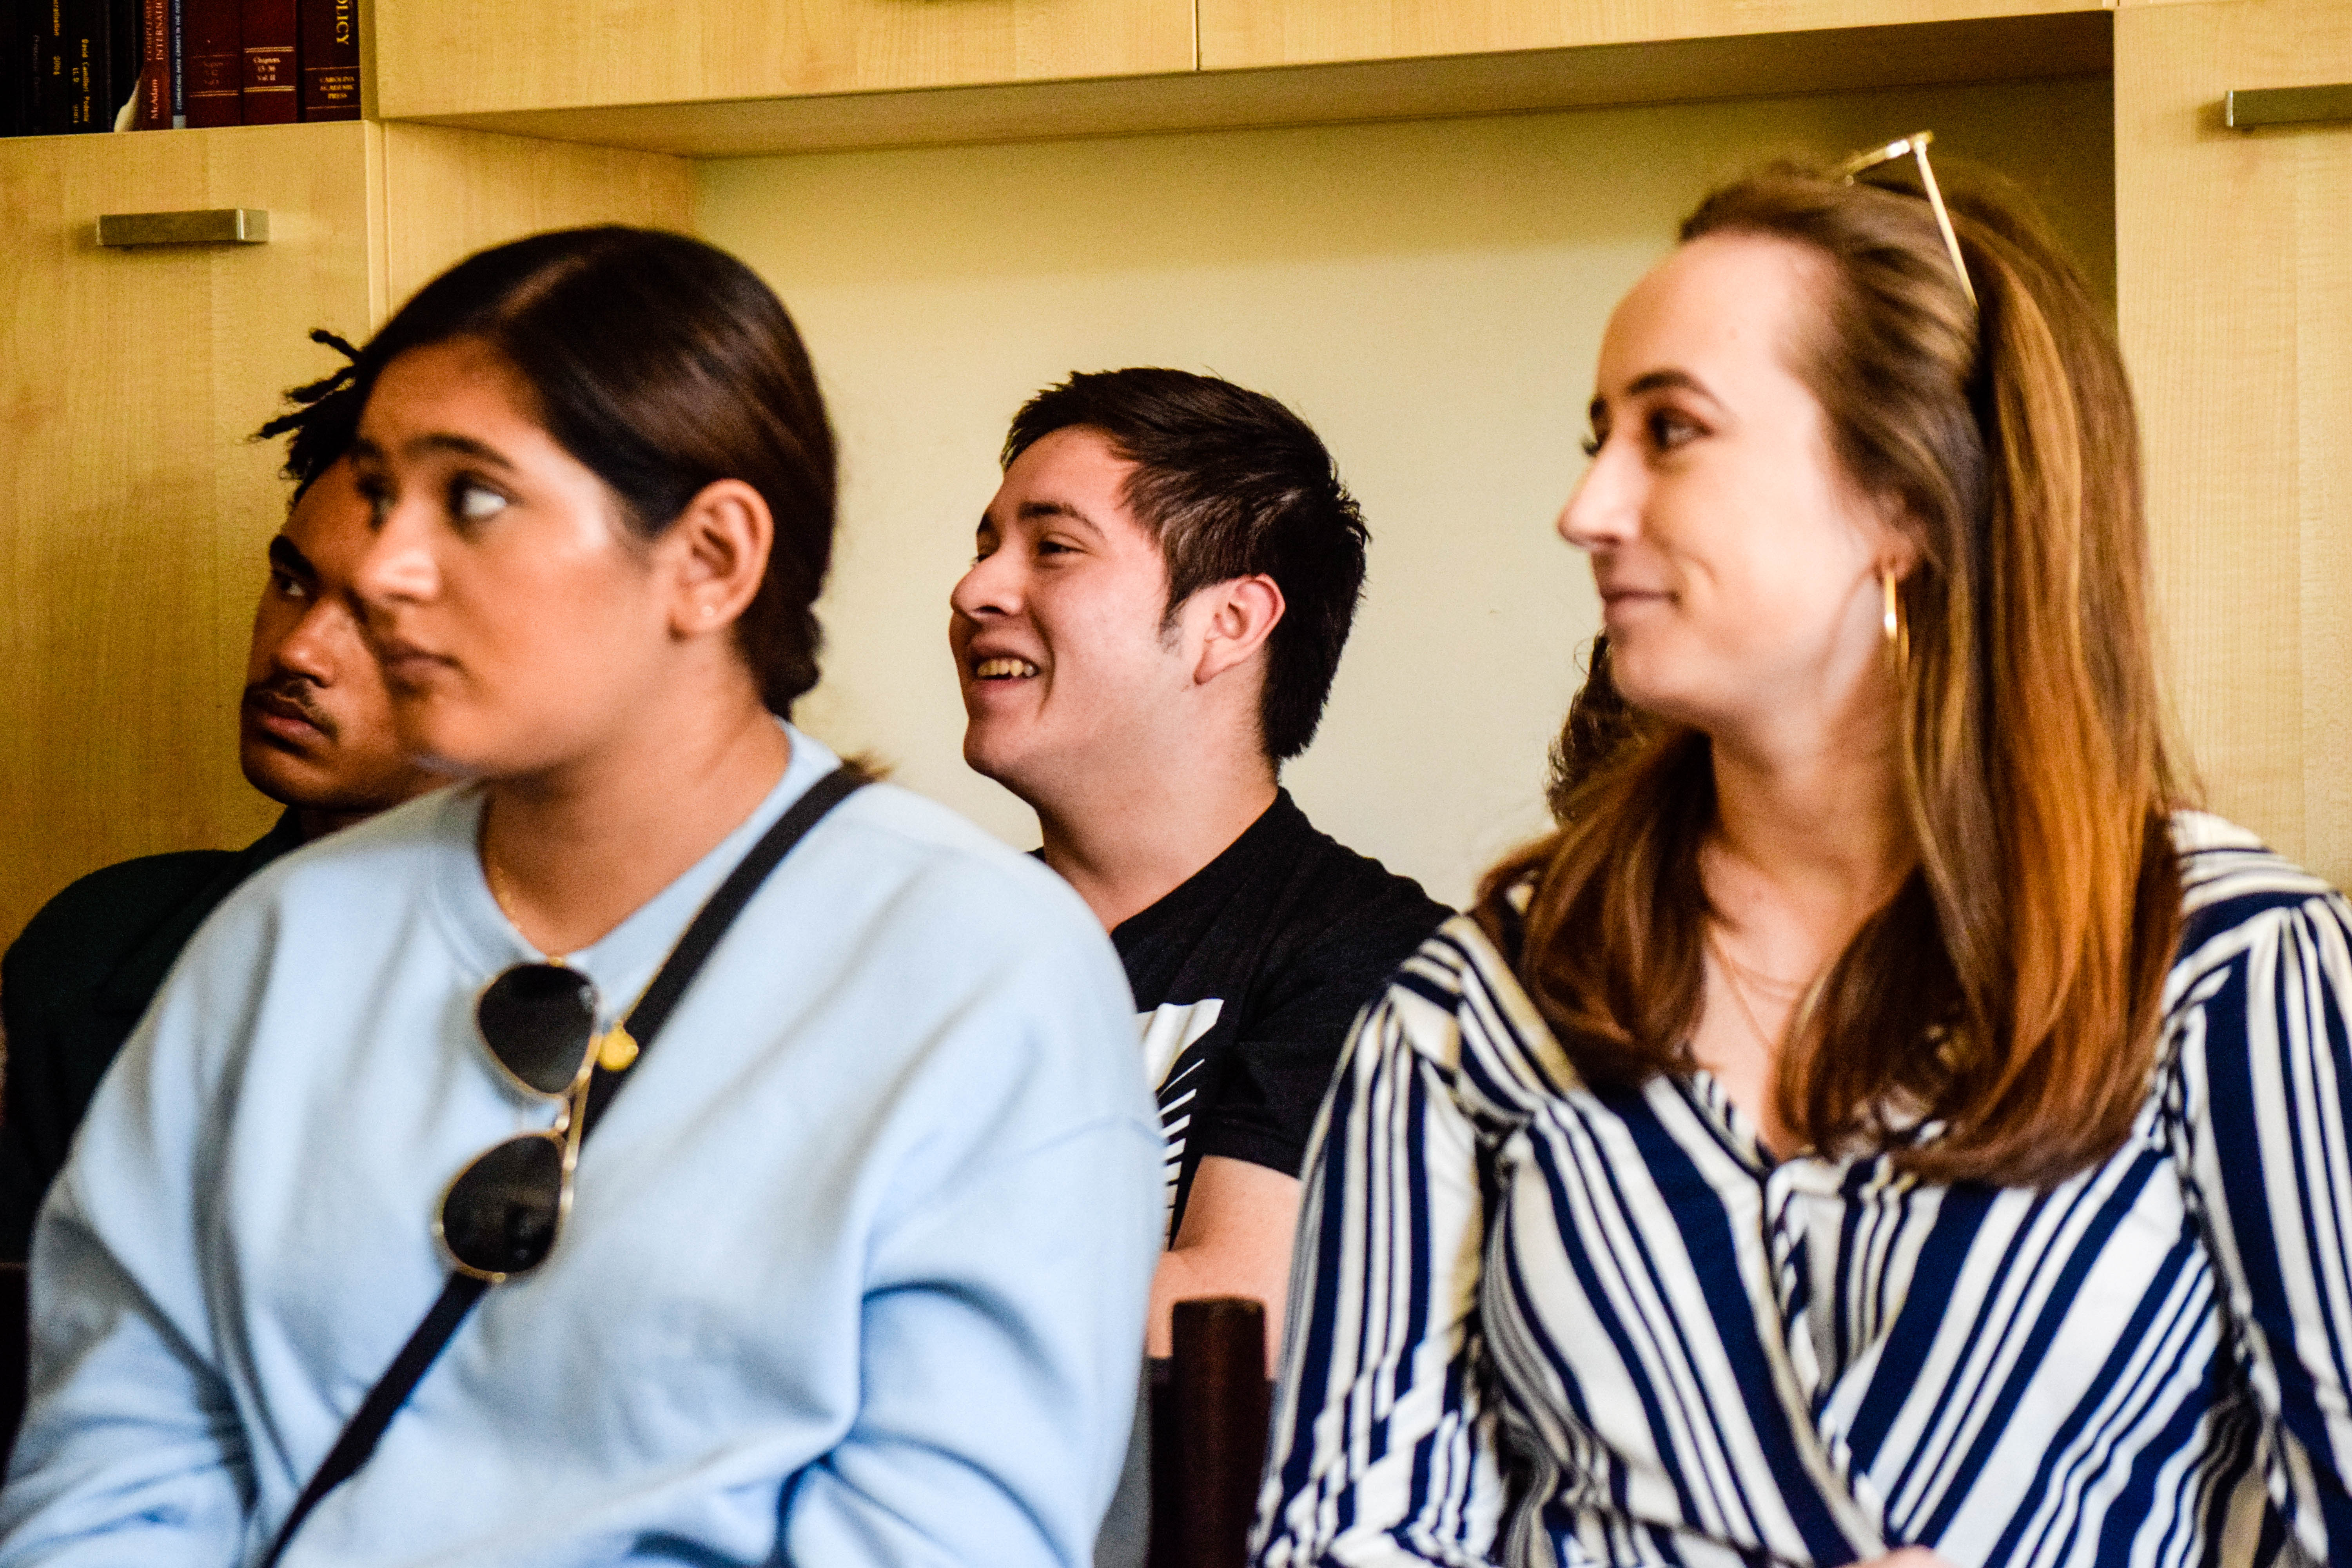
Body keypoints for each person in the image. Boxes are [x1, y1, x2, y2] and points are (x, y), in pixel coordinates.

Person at [0, 227, 1161, 1567]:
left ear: (713, 558)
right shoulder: (275, 942)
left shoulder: (979, 969)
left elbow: (940, 1541)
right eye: (378, 495)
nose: (382, 571)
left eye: (474, 500)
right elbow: (111, 1475)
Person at [1255, 151, 2352, 1567]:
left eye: (1672, 432)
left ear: (1907, 499)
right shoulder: (1474, 1011)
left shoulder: (2225, 964)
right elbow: (1347, 1536)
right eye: (1599, 435)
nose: (1586, 509)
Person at [950, 368, 1448, 1361]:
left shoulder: (1382, 961)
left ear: (1229, 623)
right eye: (985, 547)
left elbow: (1230, 1310)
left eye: (1053, 548)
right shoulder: (927, 946)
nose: (976, 591)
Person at [0, 348, 439, 1261]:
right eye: (291, 581)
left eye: (379, 617)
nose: (299, 651)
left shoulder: (621, 983)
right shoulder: (94, 949)